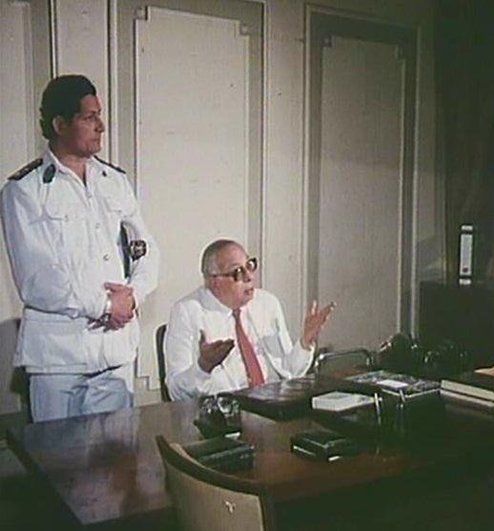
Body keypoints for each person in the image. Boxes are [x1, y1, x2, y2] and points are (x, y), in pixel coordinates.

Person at [1, 75, 159, 421]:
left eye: (99, 115)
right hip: (59, 359)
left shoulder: (114, 181)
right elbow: (36, 279)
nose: (101, 126)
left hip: (115, 354)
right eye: (89, 117)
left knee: (118, 452)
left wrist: (133, 296)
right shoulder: (25, 190)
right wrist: (105, 305)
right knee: (59, 455)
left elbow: (145, 249)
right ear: (60, 125)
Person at [165, 239, 334, 400]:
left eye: (250, 266)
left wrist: (305, 343)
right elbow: (176, 391)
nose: (249, 277)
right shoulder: (187, 312)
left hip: (273, 405)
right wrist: (203, 367)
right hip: (226, 411)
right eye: (238, 272)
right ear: (215, 282)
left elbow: (289, 371)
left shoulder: (267, 303)